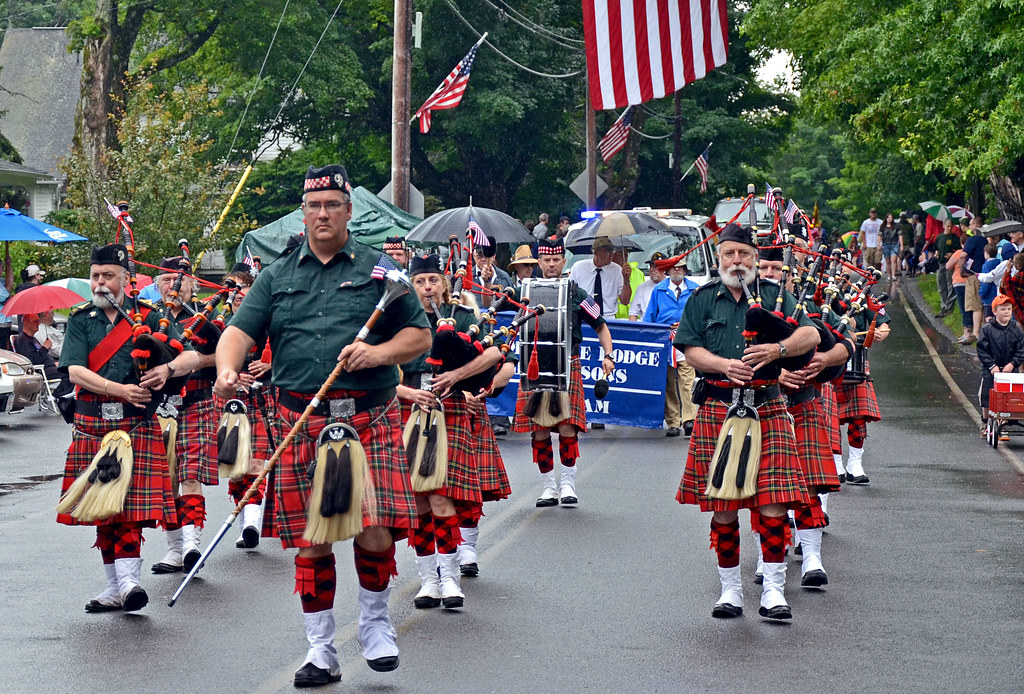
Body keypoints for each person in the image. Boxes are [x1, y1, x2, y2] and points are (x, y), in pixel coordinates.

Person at [215, 164, 431, 687]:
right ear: (303, 212)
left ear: (349, 210)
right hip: (301, 419)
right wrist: (226, 369)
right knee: (312, 540)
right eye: (314, 206)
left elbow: (419, 338)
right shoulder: (277, 274)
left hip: (367, 417)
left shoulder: (382, 270)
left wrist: (376, 352)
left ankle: (377, 625)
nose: (323, 214)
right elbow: (239, 332)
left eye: (333, 204)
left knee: (376, 531)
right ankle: (320, 649)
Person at [673, 223, 818, 621]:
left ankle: (773, 590)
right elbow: (688, 349)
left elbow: (811, 336)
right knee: (724, 508)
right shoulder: (703, 299)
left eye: (744, 255)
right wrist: (723, 365)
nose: (737, 261)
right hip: (719, 408)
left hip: (767, 407)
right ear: (719, 259)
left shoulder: (775, 296)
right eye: (729, 255)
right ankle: (731, 591)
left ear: (755, 259)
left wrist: (777, 349)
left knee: (772, 504)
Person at [57, 243, 198, 613]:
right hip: (93, 421)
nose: (100, 283)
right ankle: (114, 587)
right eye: (95, 276)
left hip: (136, 422)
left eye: (108, 276)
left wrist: (167, 370)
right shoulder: (80, 319)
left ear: (124, 280)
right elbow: (74, 371)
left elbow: (189, 355)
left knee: (130, 509)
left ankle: (129, 582)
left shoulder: (150, 317)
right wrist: (117, 389)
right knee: (102, 508)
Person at [396, 253, 503, 610]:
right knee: (420, 499)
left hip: (450, 408)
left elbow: (494, 355)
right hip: (410, 409)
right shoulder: (400, 320)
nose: (427, 287)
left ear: (444, 284)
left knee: (441, 497)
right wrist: (409, 392)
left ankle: (450, 579)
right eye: (420, 282)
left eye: (433, 281)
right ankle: (428, 579)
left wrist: (458, 376)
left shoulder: (465, 317)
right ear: (412, 287)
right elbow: (377, 371)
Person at [756, 244, 849, 588]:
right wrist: (776, 374)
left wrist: (826, 360)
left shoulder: (807, 307)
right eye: (763, 267)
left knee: (809, 484)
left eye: (775, 269)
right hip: (764, 407)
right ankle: (767, 560)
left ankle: (812, 557)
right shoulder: (746, 311)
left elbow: (846, 341)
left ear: (789, 274)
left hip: (805, 403)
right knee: (764, 491)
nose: (769, 274)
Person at [511, 237, 615, 507]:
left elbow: (601, 326)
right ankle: (548, 487)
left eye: (556, 259)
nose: (552, 264)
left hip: (568, 363)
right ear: (539, 262)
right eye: (546, 260)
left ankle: (568, 483)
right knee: (540, 429)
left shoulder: (577, 293)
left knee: (568, 427)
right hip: (536, 366)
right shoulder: (526, 291)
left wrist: (608, 355)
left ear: (564, 261)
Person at [149, 257, 221, 574]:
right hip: (159, 409)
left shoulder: (207, 320)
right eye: (165, 280)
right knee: (167, 479)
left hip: (196, 401)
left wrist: (192, 362)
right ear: (157, 285)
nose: (172, 286)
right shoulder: (150, 319)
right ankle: (175, 550)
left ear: (192, 285)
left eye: (178, 280)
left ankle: (192, 544)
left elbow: (224, 355)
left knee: (190, 475)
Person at [835, 288, 891, 485]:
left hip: (857, 359)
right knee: (830, 415)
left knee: (858, 414)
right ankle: (835, 463)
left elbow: (884, 326)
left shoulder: (864, 297)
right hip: (830, 359)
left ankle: (855, 463)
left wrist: (879, 334)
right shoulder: (821, 291)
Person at [643, 255, 698, 437]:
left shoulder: (694, 290)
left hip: (687, 338)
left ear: (685, 270)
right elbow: (649, 317)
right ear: (667, 271)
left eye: (680, 268)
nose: (677, 270)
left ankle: (689, 419)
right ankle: (673, 422)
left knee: (688, 380)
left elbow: (702, 316)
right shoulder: (659, 290)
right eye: (674, 268)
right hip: (664, 339)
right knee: (668, 382)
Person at [977, 294, 1024, 428]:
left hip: (1010, 369)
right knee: (986, 396)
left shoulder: (1017, 329)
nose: (1006, 312)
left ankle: (1002, 423)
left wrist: (1013, 364)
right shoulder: (987, 329)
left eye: (1009, 309)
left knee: (1008, 397)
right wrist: (992, 366)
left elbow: (1021, 350)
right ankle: (985, 421)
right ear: (995, 311)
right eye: (1003, 309)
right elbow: (982, 350)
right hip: (991, 369)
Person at [568, 237, 631, 320]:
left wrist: (626, 279)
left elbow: (625, 301)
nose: (611, 255)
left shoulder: (617, 270)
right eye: (607, 251)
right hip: (585, 317)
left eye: (612, 251)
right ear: (596, 252)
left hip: (608, 317)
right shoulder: (579, 267)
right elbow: (569, 294)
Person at [13, 311, 73, 396]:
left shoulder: (32, 339)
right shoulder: (23, 341)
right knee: (69, 373)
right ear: (27, 323)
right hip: (39, 370)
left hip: (48, 366)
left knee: (71, 369)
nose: (38, 324)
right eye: (35, 321)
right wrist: (45, 348)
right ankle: (57, 397)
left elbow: (42, 356)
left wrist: (53, 363)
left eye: (38, 321)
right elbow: (32, 361)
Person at [960, 216, 986, 342]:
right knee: (983, 303)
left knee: (975, 305)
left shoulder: (972, 240)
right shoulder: (986, 239)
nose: (969, 227)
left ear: (976, 225)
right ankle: (984, 330)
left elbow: (963, 256)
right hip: (985, 275)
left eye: (970, 224)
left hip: (973, 275)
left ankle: (976, 333)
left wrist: (962, 270)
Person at [472, 236, 512, 306]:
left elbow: (511, 304)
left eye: (487, 255)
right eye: (480, 255)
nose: (484, 259)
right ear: (474, 256)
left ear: (494, 256)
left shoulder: (504, 277)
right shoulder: (466, 278)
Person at [934, 218, 961, 317]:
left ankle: (949, 307)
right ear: (944, 226)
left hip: (951, 264)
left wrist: (952, 254)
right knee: (941, 285)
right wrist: (936, 254)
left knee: (950, 285)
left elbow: (959, 250)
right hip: (941, 263)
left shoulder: (954, 237)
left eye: (951, 226)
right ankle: (944, 305)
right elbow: (936, 248)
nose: (949, 228)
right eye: (948, 226)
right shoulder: (939, 237)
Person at [628, 253, 667, 320]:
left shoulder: (671, 286)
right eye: (650, 266)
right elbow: (633, 314)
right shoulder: (642, 288)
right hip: (647, 328)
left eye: (655, 267)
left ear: (665, 269)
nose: (651, 269)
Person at [615, 247, 644, 319]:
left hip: (635, 320)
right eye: (619, 255)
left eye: (626, 254)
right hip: (614, 320)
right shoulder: (607, 273)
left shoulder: (639, 273)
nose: (624, 257)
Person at [979, 243, 1000, 320]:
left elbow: (986, 282)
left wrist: (981, 293)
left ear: (987, 254)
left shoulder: (986, 265)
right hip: (997, 294)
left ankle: (990, 332)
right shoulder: (999, 263)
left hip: (988, 297)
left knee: (988, 317)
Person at [879, 213, 901, 280]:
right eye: (888, 217)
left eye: (890, 217)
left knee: (893, 260)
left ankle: (894, 275)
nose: (889, 219)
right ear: (886, 219)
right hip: (885, 244)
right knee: (887, 261)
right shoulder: (882, 227)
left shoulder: (896, 226)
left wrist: (901, 245)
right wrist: (878, 244)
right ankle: (889, 275)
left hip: (894, 244)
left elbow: (900, 236)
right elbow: (879, 236)